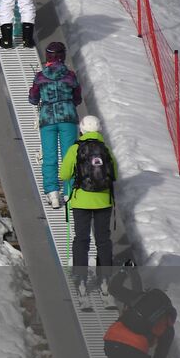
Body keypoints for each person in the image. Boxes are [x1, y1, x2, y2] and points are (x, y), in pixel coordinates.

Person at [60, 116, 116, 294]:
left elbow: (64, 174)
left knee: (81, 239)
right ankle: (105, 279)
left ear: (81, 130)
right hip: (103, 201)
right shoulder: (105, 149)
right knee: (103, 240)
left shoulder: (76, 148)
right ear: (99, 130)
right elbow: (115, 174)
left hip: (81, 201)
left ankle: (81, 280)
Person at [29, 42, 82, 208]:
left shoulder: (40, 76)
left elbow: (33, 99)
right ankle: (69, 192)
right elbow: (77, 98)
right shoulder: (70, 75)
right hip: (68, 118)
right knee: (69, 156)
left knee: (49, 156)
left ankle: (52, 194)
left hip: (47, 118)